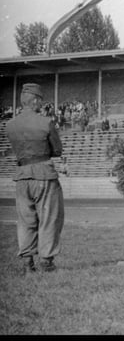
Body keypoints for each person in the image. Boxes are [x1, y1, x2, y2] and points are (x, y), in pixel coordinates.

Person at [5, 83, 64, 273]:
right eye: (41, 100)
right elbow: (57, 150)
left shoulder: (10, 125)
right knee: (49, 217)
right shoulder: (45, 122)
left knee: (25, 219)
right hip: (44, 174)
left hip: (22, 176)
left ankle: (27, 260)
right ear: (36, 100)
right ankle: (46, 260)